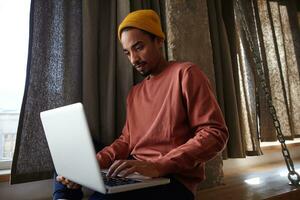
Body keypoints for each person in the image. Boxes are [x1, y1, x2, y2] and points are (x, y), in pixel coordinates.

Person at [54, 9, 229, 200]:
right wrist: (92, 164)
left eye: (139, 47)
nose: (134, 59)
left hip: (172, 180)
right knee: (70, 157)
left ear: (159, 40)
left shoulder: (186, 74)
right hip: (135, 171)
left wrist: (158, 165)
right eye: (127, 52)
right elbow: (126, 141)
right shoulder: (135, 93)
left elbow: (214, 133)